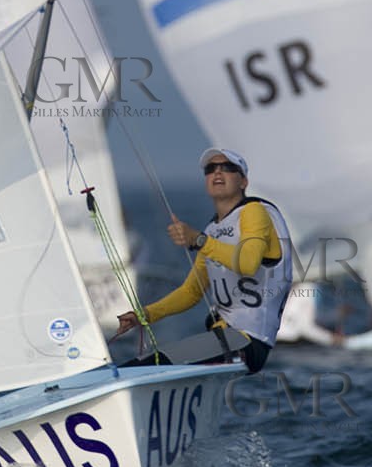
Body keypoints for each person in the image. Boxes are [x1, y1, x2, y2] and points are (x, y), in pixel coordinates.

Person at [111, 148, 294, 373]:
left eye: (227, 168)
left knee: (142, 367)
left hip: (248, 342)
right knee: (142, 365)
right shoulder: (213, 229)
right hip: (224, 339)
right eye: (210, 169)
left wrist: (198, 240)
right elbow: (191, 291)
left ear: (244, 181)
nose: (218, 173)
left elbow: (248, 263)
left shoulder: (254, 212)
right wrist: (144, 315)